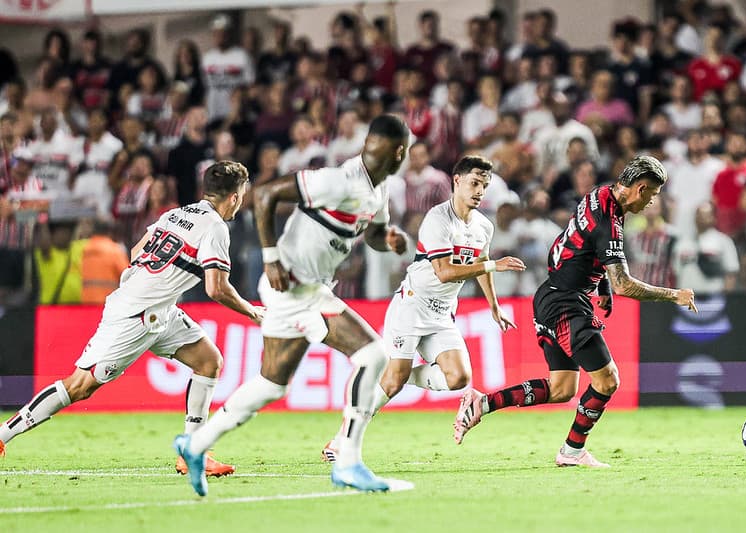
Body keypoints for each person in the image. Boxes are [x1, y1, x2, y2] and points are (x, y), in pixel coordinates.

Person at [173, 115, 411, 496]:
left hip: (302, 289)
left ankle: (195, 445)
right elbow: (265, 195)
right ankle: (348, 460)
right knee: (372, 354)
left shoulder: (377, 190)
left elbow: (375, 234)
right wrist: (271, 256)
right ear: (401, 152)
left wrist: (390, 240)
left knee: (271, 384)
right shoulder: (338, 181)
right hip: (295, 286)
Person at [0, 162, 264, 482]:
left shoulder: (176, 214)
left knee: (209, 361)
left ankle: (192, 450)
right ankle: (3, 434)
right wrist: (251, 311)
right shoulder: (215, 228)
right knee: (80, 386)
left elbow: (138, 249)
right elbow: (216, 288)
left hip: (158, 309)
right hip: (135, 316)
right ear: (235, 197)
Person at [453, 155, 697, 467]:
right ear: (640, 188)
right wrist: (672, 294)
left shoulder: (599, 195)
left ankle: (481, 403)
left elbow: (575, 244)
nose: (651, 203)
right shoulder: (609, 223)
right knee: (607, 381)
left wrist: (601, 285)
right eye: (652, 195)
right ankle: (571, 452)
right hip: (565, 303)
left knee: (561, 389)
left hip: (551, 295)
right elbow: (624, 284)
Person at [321, 155, 525, 462]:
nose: (480, 191)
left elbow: (480, 267)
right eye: (474, 183)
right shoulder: (437, 219)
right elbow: (444, 271)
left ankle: (400, 374)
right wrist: (495, 265)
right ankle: (340, 441)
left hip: (442, 314)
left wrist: (494, 307)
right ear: (457, 182)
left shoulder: (483, 225)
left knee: (458, 379)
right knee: (392, 382)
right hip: (412, 307)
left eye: (484, 185)